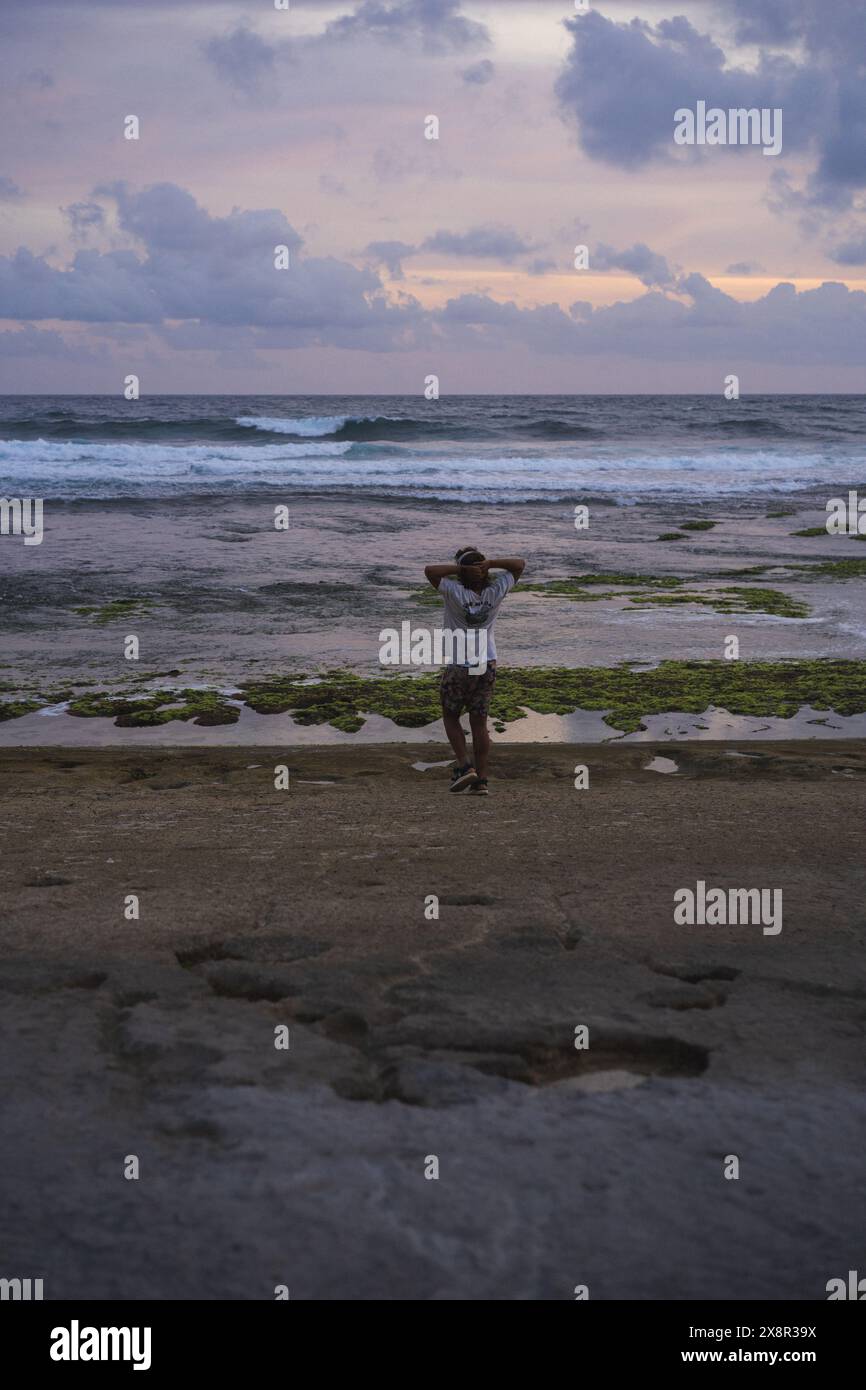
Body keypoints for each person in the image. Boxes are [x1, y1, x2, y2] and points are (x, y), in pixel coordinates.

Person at [423, 547, 526, 795]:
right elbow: (519, 564)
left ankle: (465, 767)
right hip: (487, 662)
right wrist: (490, 563)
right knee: (479, 723)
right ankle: (481, 781)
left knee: (450, 716)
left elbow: (429, 571)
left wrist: (460, 569)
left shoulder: (454, 591)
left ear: (463, 573)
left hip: (460, 664)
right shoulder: (495, 591)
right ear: (483, 571)